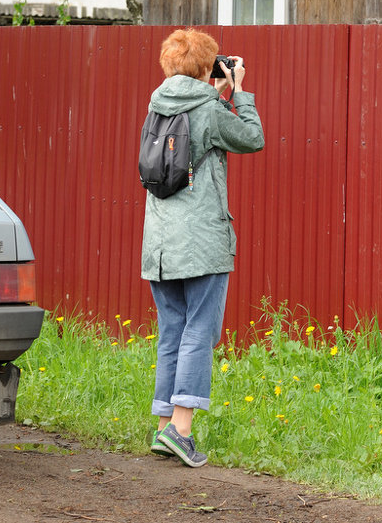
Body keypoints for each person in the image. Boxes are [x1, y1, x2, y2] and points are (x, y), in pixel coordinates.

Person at [141, 28, 264, 467]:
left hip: (158, 245)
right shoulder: (210, 110)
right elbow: (252, 137)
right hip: (201, 243)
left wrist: (217, 93)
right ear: (206, 67)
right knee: (198, 330)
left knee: (172, 330)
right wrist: (240, 91)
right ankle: (182, 429)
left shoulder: (156, 107)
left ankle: (162, 428)